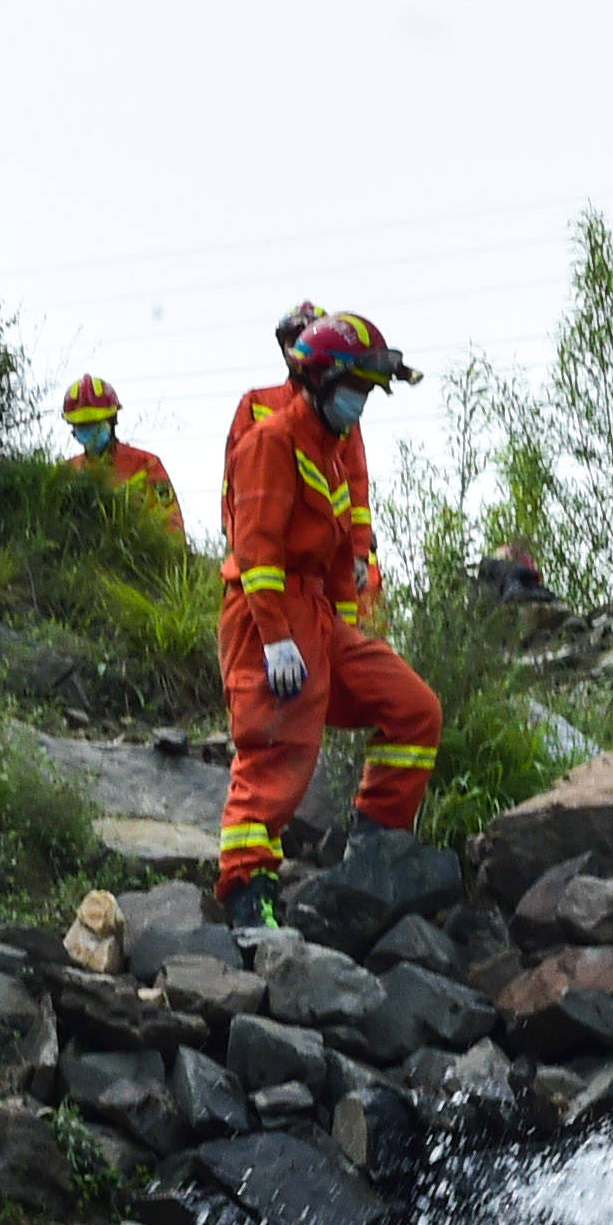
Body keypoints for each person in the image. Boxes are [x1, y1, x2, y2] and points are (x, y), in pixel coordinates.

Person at [213, 306, 440, 930]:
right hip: (267, 614)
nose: (361, 401)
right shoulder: (270, 442)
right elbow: (255, 551)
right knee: (273, 755)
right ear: (318, 380)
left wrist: (344, 633)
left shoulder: (333, 448)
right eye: (356, 387)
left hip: (316, 615)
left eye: (368, 389)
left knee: (414, 710)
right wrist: (278, 640)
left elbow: (341, 553)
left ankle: (375, 850)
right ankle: (246, 898)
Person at [59, 374, 179, 528]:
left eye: (95, 424)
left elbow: (171, 518)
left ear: (112, 421)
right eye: (83, 425)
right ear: (73, 428)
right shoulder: (66, 472)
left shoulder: (145, 464)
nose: (90, 431)